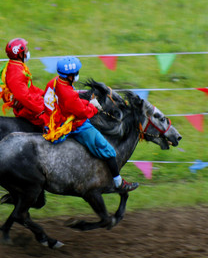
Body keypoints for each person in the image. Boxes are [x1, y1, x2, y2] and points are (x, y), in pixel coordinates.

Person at [43, 56, 138, 192]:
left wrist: (88, 102)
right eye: (75, 73)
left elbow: (73, 103)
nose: (77, 75)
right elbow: (82, 112)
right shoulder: (68, 92)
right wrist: (94, 107)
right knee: (109, 151)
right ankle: (118, 183)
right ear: (69, 76)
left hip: (56, 121)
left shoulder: (54, 82)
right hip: (75, 125)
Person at [0, 38, 50, 127]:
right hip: (27, 110)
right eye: (26, 50)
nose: (28, 52)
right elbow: (23, 97)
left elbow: (30, 88)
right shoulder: (16, 72)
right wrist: (41, 110)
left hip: (32, 102)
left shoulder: (16, 65)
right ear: (20, 54)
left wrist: (46, 94)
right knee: (55, 119)